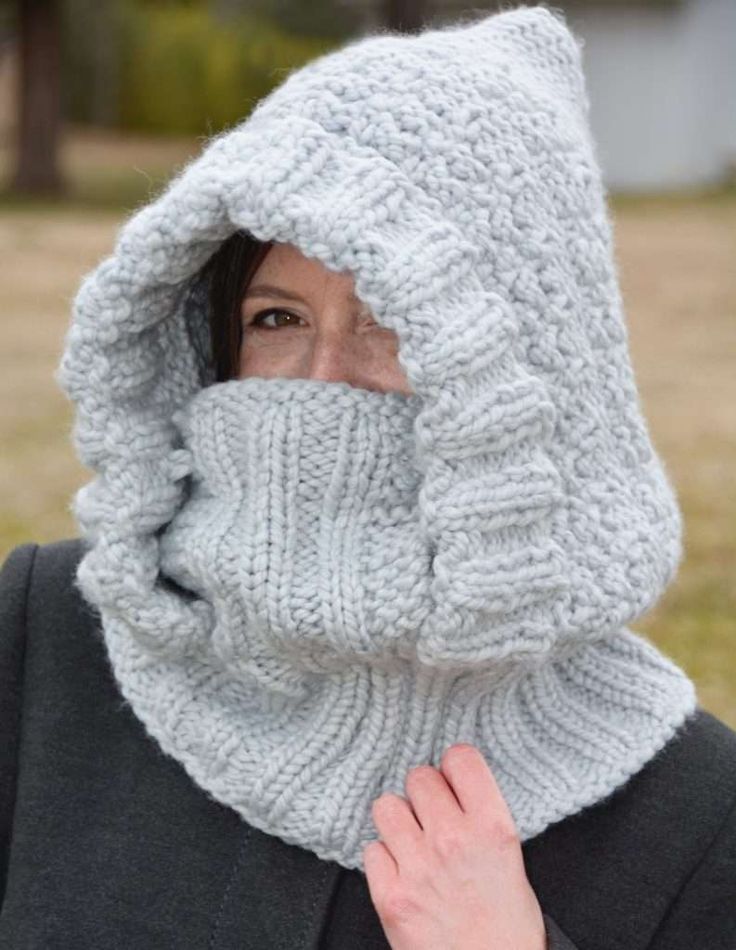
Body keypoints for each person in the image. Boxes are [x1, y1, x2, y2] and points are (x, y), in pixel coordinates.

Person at [1, 5, 735, 949]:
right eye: (275, 318)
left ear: (530, 373)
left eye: (394, 320)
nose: (323, 377)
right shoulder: (48, 644)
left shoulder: (690, 814)